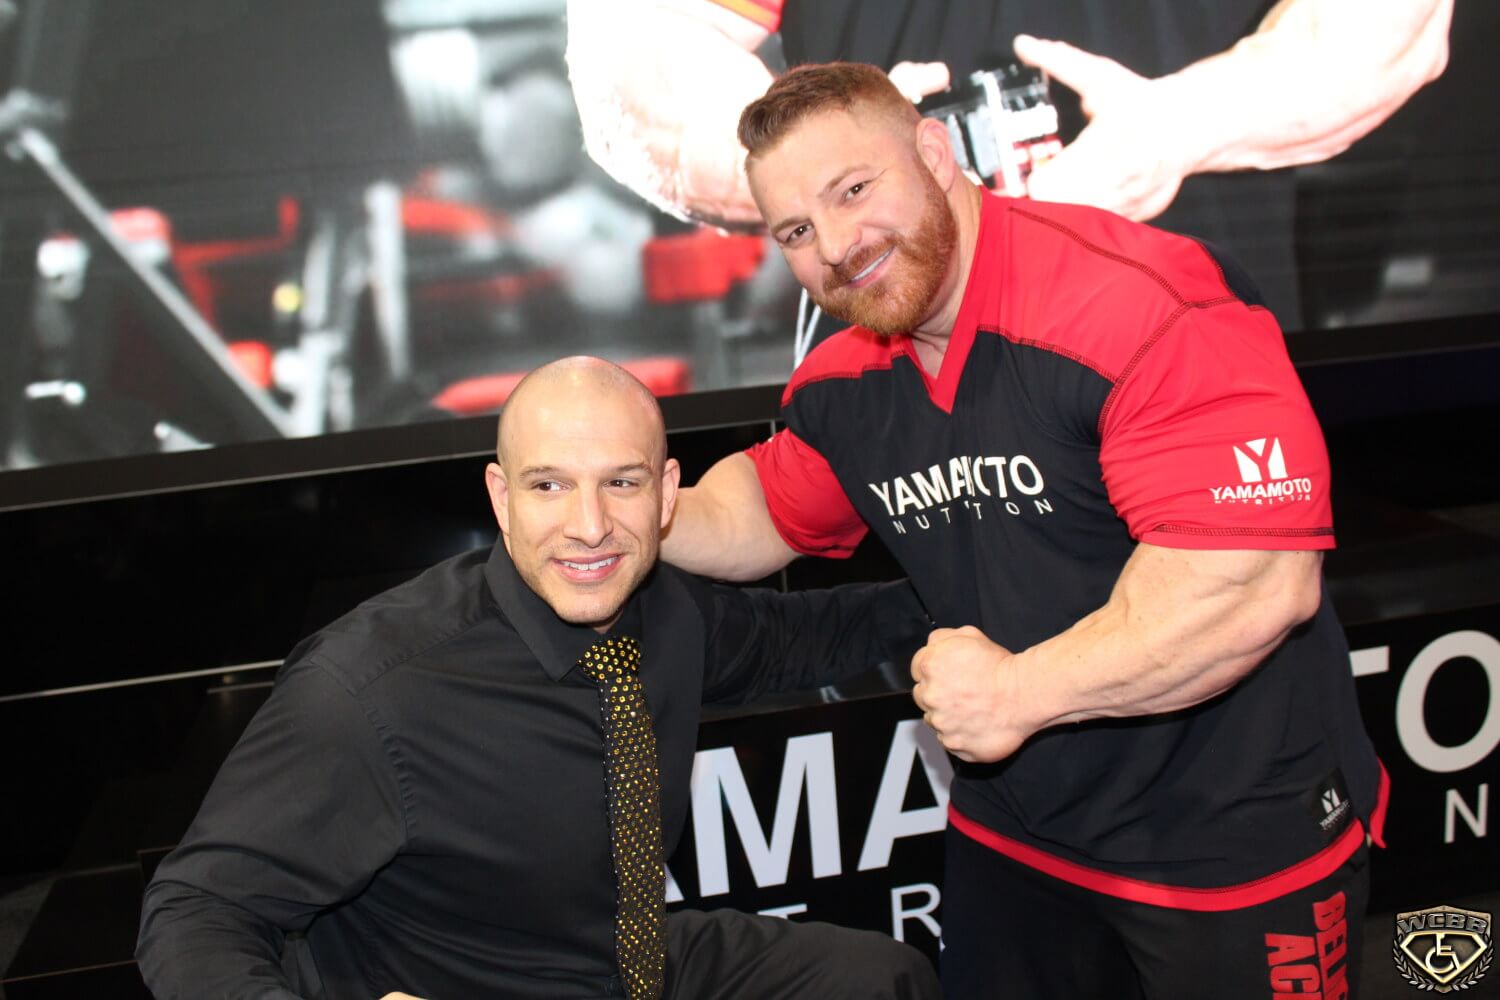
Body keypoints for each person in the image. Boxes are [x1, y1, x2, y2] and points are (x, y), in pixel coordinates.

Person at [654, 63, 1389, 999]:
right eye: (795, 231)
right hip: (1019, 831)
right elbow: (760, 508)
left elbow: (1249, 581)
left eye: (854, 190)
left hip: (1228, 834)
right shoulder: (849, 376)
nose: (835, 246)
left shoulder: (1135, 301)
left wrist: (1016, 695)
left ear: (934, 153)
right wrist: (626, 508)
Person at [135, 356, 942, 1000]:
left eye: (621, 482)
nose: (589, 526)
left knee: (885, 980)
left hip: (619, 960)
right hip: (473, 985)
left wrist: (975, 600)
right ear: (501, 497)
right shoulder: (370, 690)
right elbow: (194, 910)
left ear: (666, 494)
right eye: (550, 485)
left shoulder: (665, 609)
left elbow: (806, 638)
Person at [565, 0, 1451, 328]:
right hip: (897, 364)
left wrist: (1178, 128)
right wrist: (841, 174)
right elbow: (636, 52)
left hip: (1194, 345)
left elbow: (1390, 25)